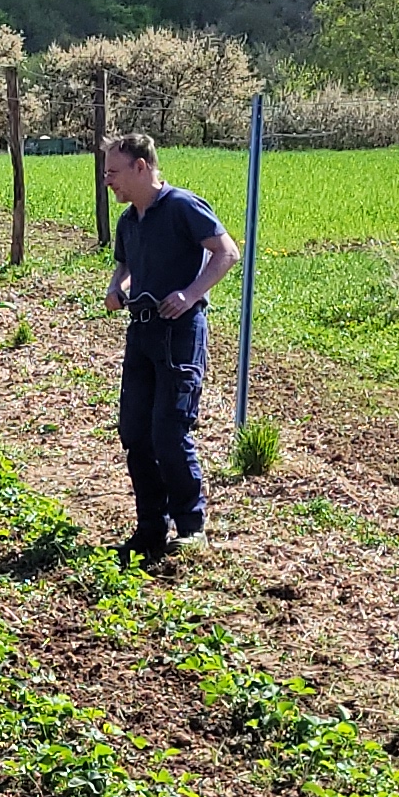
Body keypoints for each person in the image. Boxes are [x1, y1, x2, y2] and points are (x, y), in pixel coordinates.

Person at [101, 131, 241, 558]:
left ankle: (191, 526)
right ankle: (150, 527)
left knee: (168, 431)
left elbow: (227, 252)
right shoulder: (129, 221)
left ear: (141, 167)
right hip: (141, 333)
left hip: (179, 334)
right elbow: (126, 264)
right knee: (136, 432)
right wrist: (115, 287)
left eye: (114, 172)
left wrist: (191, 293)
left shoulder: (182, 206)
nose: (108, 181)